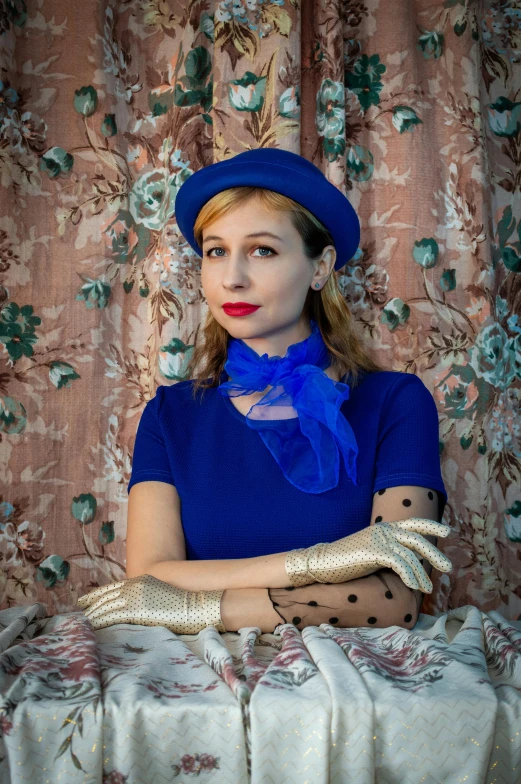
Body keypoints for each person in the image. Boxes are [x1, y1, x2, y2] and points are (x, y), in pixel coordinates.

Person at [77, 149, 452, 635]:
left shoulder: (397, 402)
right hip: (199, 691)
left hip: (348, 690)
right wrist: (320, 563)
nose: (232, 277)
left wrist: (199, 606)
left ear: (321, 268)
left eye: (262, 250)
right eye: (216, 251)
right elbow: (148, 578)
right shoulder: (171, 414)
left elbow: (394, 599)